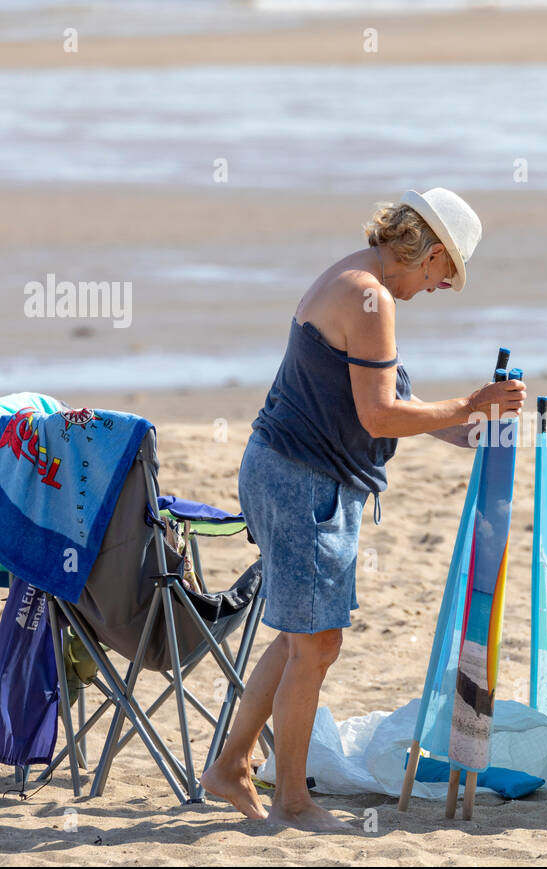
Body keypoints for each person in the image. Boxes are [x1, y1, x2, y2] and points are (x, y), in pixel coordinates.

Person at [201, 188, 526, 830]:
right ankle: (293, 802)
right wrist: (468, 405)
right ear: (430, 252)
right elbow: (378, 413)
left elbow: (370, 403)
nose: (440, 288)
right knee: (318, 642)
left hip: (291, 471)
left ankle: (231, 763)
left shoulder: (358, 277)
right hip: (301, 480)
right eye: (445, 275)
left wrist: (464, 428)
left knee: (305, 638)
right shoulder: (368, 295)